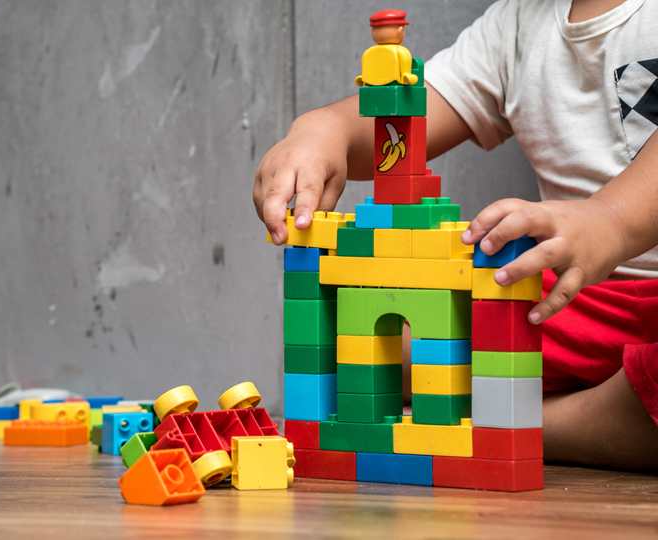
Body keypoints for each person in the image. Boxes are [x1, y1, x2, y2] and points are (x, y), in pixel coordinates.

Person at [253, 0, 658, 471]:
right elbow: (413, 115)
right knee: (373, 347)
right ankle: (543, 411)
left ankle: (524, 423)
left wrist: (609, 217)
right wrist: (325, 130)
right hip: (566, 300)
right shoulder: (517, 24)